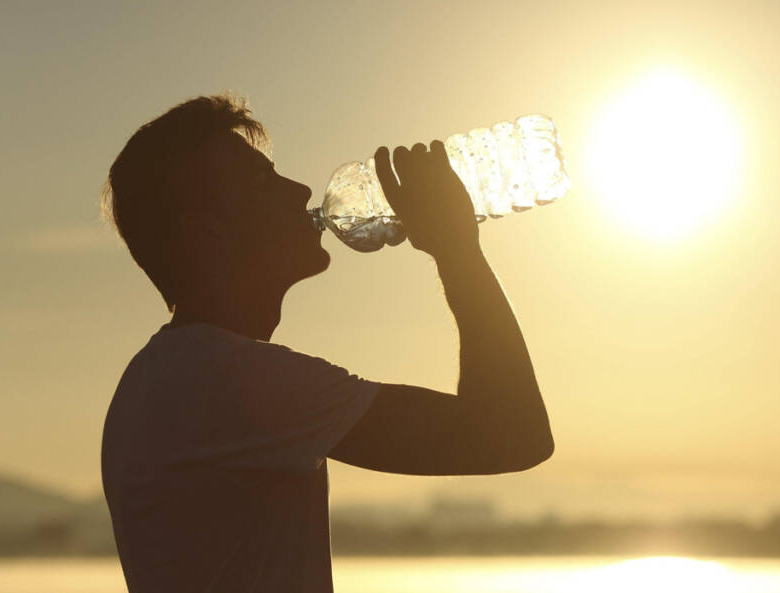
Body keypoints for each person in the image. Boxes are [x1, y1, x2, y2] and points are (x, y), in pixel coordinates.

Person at [99, 94, 554, 593]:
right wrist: (456, 249)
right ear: (208, 234)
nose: (299, 190)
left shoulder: (165, 376)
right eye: (261, 182)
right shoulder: (224, 379)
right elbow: (511, 435)